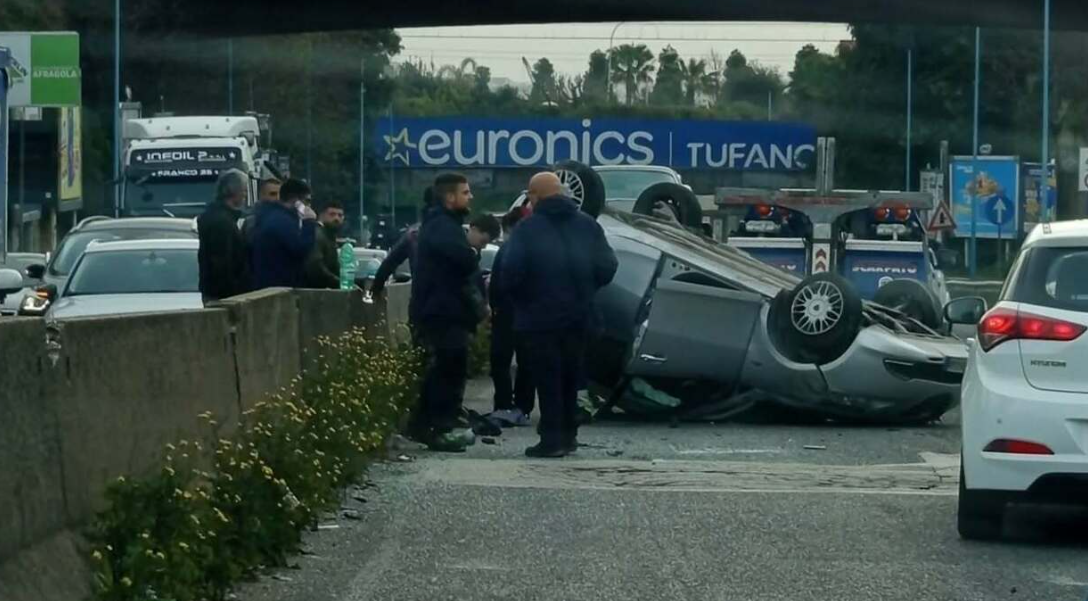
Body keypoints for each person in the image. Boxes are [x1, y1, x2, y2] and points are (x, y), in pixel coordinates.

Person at [501, 171, 617, 458]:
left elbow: (511, 274)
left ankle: (552, 439)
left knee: (548, 379)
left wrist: (524, 301)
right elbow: (608, 266)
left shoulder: (528, 230)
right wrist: (586, 288)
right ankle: (569, 435)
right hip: (580, 316)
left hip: (541, 319)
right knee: (571, 376)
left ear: (535, 196)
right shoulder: (588, 225)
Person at [411, 173, 486, 452]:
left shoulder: (443, 224)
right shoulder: (442, 226)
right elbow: (462, 259)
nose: (471, 197)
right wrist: (472, 254)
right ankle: (436, 426)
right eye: (466, 193)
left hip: (447, 311)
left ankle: (433, 423)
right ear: (450, 197)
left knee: (449, 370)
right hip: (443, 312)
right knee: (445, 371)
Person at [487, 209, 535, 427]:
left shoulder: (507, 249)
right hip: (530, 314)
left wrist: (494, 307)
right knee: (527, 363)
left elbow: (497, 283)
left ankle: (503, 404)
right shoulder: (537, 248)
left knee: (500, 361)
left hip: (506, 314)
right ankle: (523, 407)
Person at [250, 178, 317, 290]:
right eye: (306, 201)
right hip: (280, 286)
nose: (308, 206)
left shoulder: (269, 217)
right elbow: (300, 249)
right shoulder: (283, 221)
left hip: (268, 285)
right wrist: (309, 222)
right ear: (297, 201)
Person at [197, 169, 251, 303]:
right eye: (243, 191)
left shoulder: (216, 217)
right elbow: (222, 262)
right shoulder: (222, 223)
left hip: (214, 292)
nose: (245, 195)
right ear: (234, 192)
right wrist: (235, 293)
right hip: (224, 297)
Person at [305, 200, 346, 289]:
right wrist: (339, 283)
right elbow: (316, 267)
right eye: (332, 214)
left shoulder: (329, 236)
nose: (336, 218)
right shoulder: (318, 235)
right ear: (321, 215)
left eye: (340, 215)